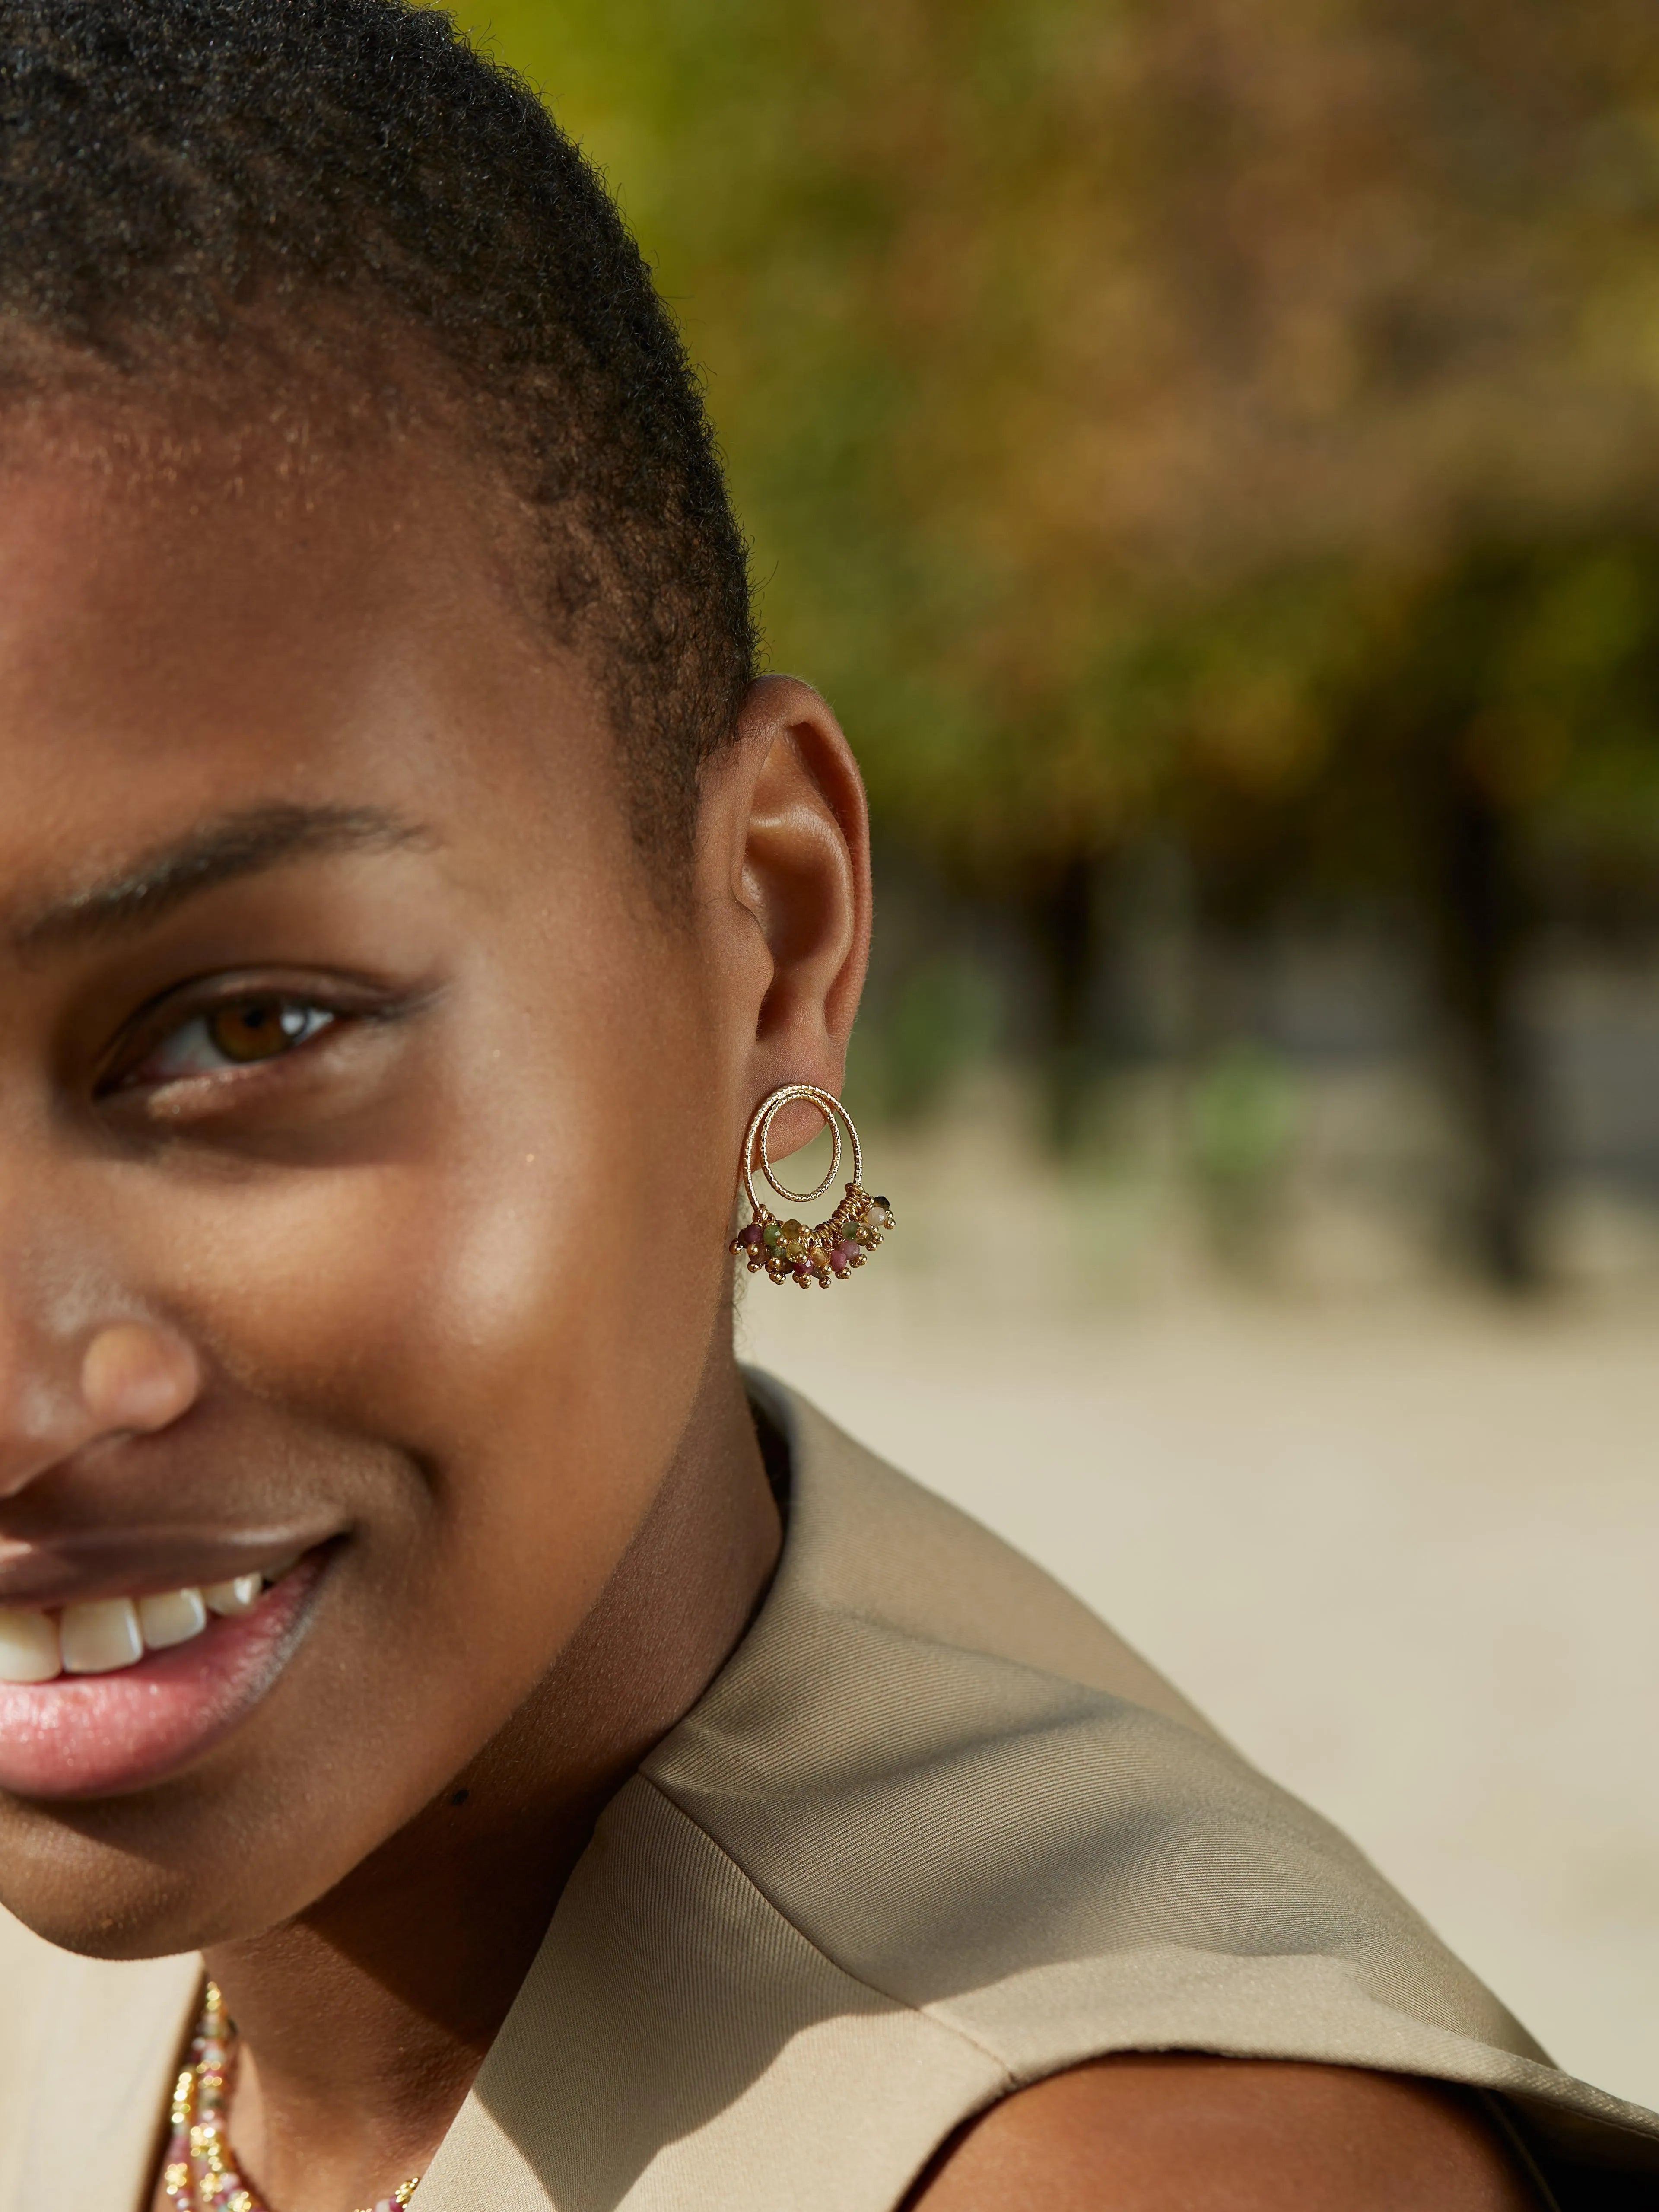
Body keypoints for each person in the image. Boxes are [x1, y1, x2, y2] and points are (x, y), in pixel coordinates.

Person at [0, 5, 1654, 2208]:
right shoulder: (163, 1988)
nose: (23, 1393)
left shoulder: (1143, 2166)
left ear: (768, 932)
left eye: (250, 1029)